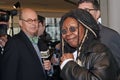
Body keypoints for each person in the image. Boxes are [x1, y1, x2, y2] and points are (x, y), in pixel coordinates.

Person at [60, 9, 118, 80]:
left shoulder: (99, 51)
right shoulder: (69, 53)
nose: (68, 34)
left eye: (72, 29)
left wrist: (68, 64)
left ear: (86, 28)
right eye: (64, 31)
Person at [1, 8, 52, 80]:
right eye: (29, 20)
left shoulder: (40, 42)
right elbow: (8, 74)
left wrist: (49, 68)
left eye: (35, 20)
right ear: (21, 23)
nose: (34, 23)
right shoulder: (14, 43)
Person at [78, 0, 120, 76]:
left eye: (87, 10)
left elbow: (116, 68)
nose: (81, 14)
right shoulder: (76, 36)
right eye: (79, 11)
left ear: (98, 14)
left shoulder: (110, 36)